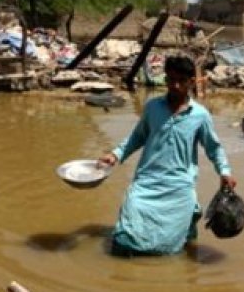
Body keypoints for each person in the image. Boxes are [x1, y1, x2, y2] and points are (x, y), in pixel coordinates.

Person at [99, 55, 237, 256]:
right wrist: (116, 154)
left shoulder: (200, 115)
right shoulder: (153, 107)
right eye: (170, 79)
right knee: (126, 230)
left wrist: (224, 171)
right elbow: (138, 136)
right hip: (146, 182)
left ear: (192, 82)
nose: (175, 85)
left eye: (181, 80)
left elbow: (213, 148)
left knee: (179, 243)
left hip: (180, 185)